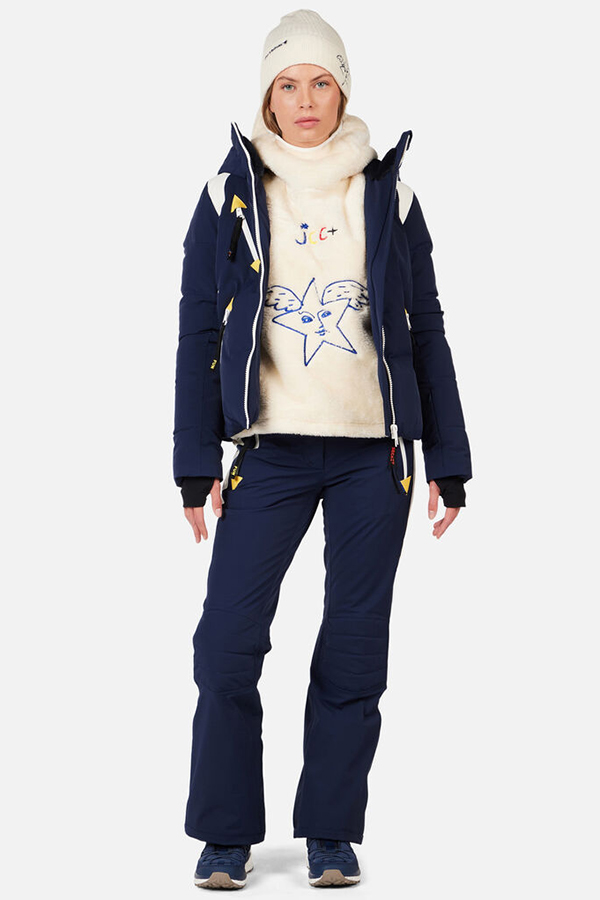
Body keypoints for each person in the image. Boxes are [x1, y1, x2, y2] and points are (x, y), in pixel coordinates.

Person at [172, 8, 472, 890]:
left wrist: (449, 460)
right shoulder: (230, 192)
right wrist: (195, 463)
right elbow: (198, 331)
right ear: (267, 96)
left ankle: (331, 833)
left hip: (372, 458)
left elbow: (426, 327)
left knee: (354, 648)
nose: (305, 100)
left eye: (322, 82)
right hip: (268, 454)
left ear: (344, 91)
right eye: (288, 84)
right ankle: (225, 833)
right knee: (226, 644)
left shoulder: (389, 194)